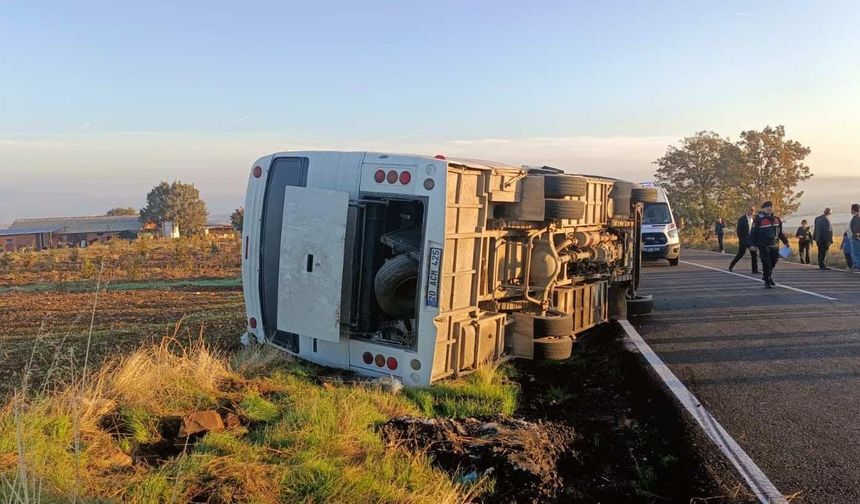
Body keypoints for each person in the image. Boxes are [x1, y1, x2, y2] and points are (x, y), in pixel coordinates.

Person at [748, 201, 789, 288]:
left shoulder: (777, 219)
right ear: (763, 209)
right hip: (763, 244)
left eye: (770, 207)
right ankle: (767, 280)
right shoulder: (758, 219)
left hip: (774, 245)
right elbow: (753, 233)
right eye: (767, 207)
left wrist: (786, 242)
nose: (769, 208)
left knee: (773, 262)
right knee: (766, 262)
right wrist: (752, 245)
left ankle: (768, 275)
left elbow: (780, 233)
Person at [728, 206, 759, 273]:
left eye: (753, 211)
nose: (751, 212)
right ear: (747, 211)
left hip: (752, 240)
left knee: (754, 254)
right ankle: (731, 265)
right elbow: (739, 231)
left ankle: (755, 270)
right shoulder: (741, 219)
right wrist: (742, 240)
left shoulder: (754, 219)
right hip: (744, 239)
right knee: (740, 254)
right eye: (750, 211)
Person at [851, 203, 860, 271]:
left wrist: (855, 235)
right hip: (856, 237)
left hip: (856, 238)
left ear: (853, 210)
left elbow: (856, 229)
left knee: (856, 253)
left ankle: (857, 266)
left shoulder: (856, 218)